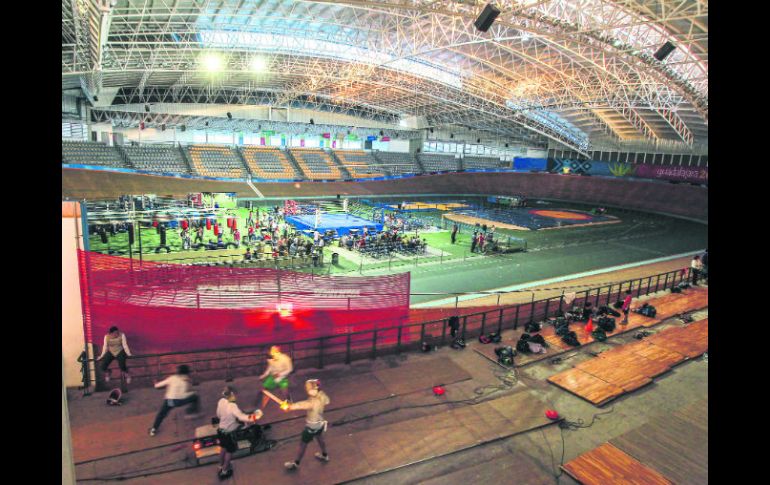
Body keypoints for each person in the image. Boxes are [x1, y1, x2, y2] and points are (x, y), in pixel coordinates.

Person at [216, 387, 263, 480]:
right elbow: (242, 417)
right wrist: (256, 416)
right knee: (229, 451)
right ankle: (224, 471)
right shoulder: (233, 406)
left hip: (220, 431)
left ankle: (220, 465)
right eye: (235, 395)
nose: (236, 397)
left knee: (223, 448)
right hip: (228, 434)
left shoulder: (221, 401)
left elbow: (218, 415)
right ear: (232, 394)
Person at [283, 379, 331, 470]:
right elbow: (327, 400)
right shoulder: (322, 396)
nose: (306, 389)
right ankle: (325, 455)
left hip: (311, 427)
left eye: (308, 388)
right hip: (320, 424)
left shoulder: (312, 402)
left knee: (303, 445)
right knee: (320, 438)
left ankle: (296, 463)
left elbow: (301, 405)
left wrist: (289, 407)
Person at [149, 365, 200, 436]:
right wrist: (192, 393)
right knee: (195, 396)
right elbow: (183, 395)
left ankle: (153, 429)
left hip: (169, 401)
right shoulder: (185, 381)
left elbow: (157, 386)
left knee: (161, 414)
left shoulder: (172, 378)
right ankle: (191, 412)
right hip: (178, 402)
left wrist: (155, 383)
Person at [258, 346, 293, 410]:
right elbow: (270, 368)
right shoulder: (271, 358)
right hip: (273, 376)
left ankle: (288, 400)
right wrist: (264, 375)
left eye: (273, 352)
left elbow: (290, 369)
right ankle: (263, 404)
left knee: (284, 390)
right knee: (265, 389)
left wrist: (279, 374)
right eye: (271, 352)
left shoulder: (286, 358)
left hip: (283, 376)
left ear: (278, 351)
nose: (271, 354)